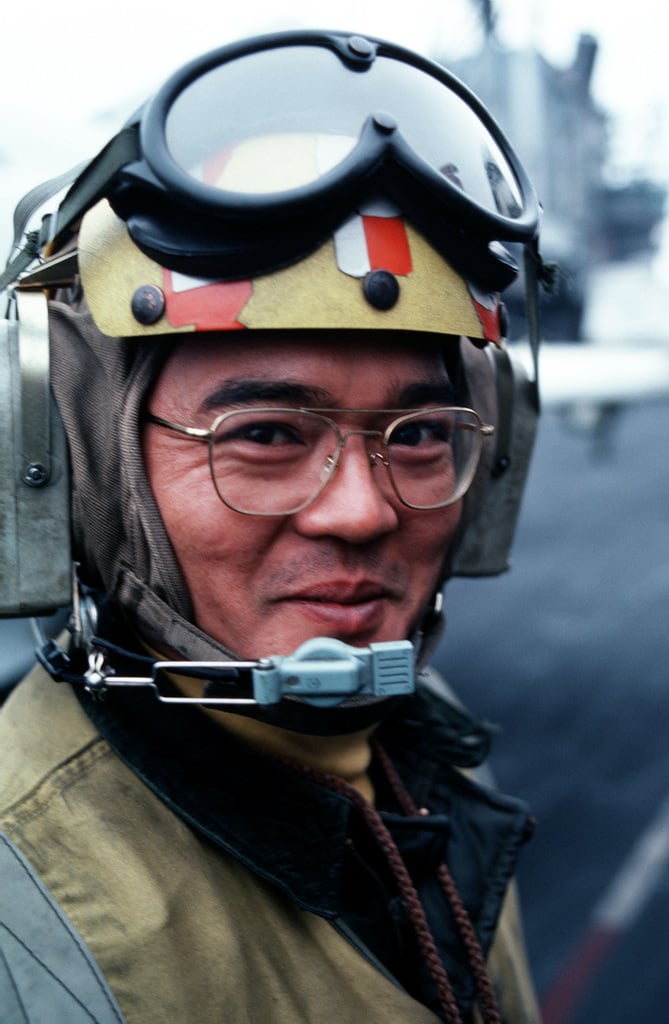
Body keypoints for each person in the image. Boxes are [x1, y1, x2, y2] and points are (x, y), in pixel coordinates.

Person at [0, 29, 548, 1024]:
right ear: (82, 467)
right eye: (262, 435)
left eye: (421, 432)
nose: (363, 510)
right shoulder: (22, 915)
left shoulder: (427, 747)